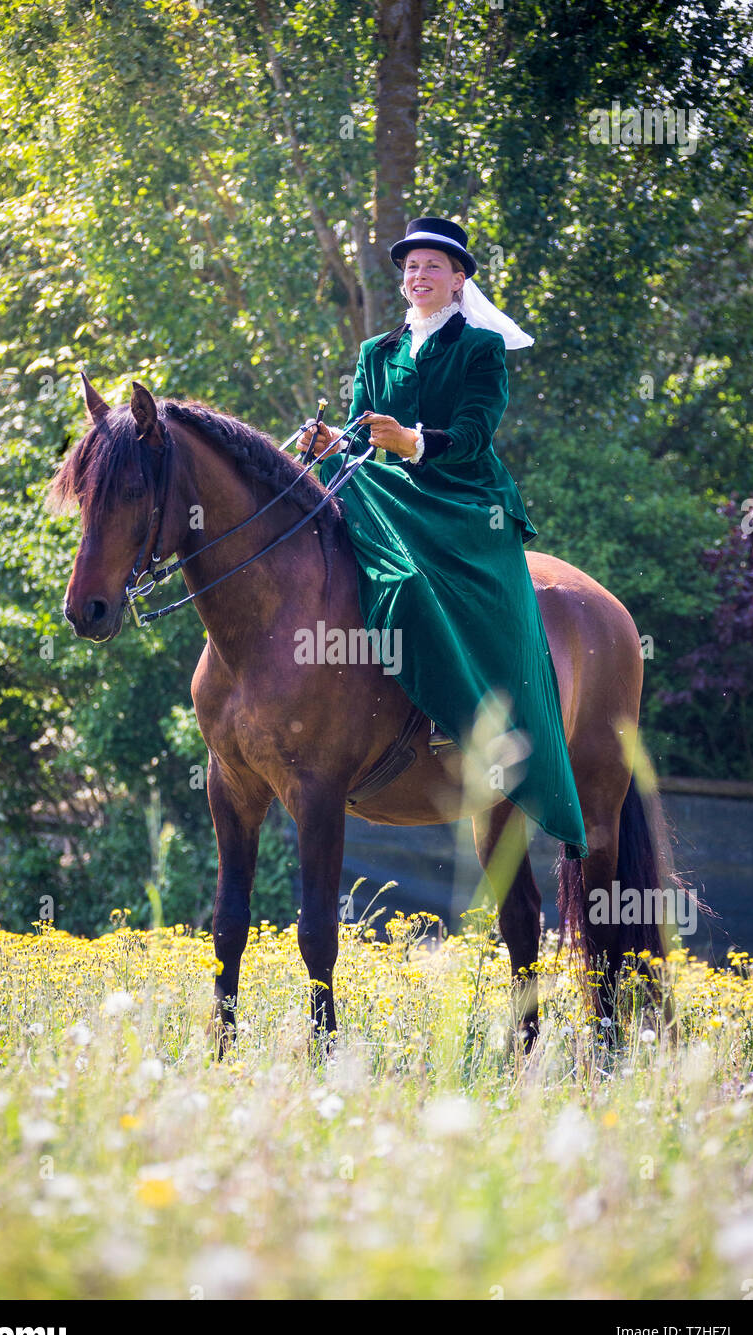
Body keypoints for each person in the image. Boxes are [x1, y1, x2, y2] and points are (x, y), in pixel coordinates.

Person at [297, 216, 587, 859]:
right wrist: (333, 444)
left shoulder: (480, 349)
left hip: (463, 496)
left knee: (413, 578)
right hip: (384, 490)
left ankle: (449, 715)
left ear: (457, 282)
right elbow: (356, 434)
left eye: (433, 267)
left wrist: (414, 442)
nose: (418, 275)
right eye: (411, 267)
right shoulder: (376, 351)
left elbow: (476, 433)